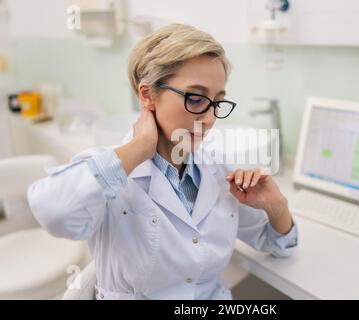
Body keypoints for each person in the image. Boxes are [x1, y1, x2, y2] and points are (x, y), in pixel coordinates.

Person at [27, 24, 297, 300]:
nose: (209, 118)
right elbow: (54, 212)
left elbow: (279, 243)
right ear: (147, 96)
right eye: (195, 98)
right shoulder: (110, 171)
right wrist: (139, 148)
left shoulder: (219, 171)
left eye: (217, 102)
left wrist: (276, 205)